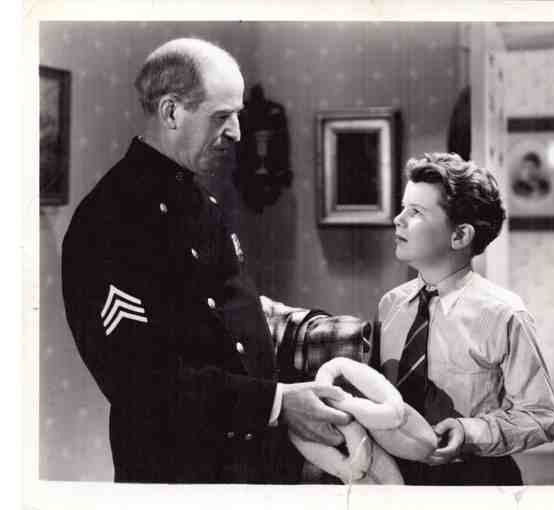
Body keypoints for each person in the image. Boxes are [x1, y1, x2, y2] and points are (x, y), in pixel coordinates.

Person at [61, 38, 352, 483]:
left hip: (252, 467)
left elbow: (230, 327)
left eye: (237, 115)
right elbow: (140, 384)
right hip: (178, 478)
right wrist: (275, 403)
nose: (237, 132)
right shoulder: (109, 220)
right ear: (171, 112)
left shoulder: (201, 202)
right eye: (221, 117)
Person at [371, 152, 554, 485]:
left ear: (459, 236)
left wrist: (469, 431)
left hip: (476, 478)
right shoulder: (391, 305)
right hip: (395, 476)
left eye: (415, 211)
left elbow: (542, 415)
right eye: (403, 208)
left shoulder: (503, 314)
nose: (398, 219)